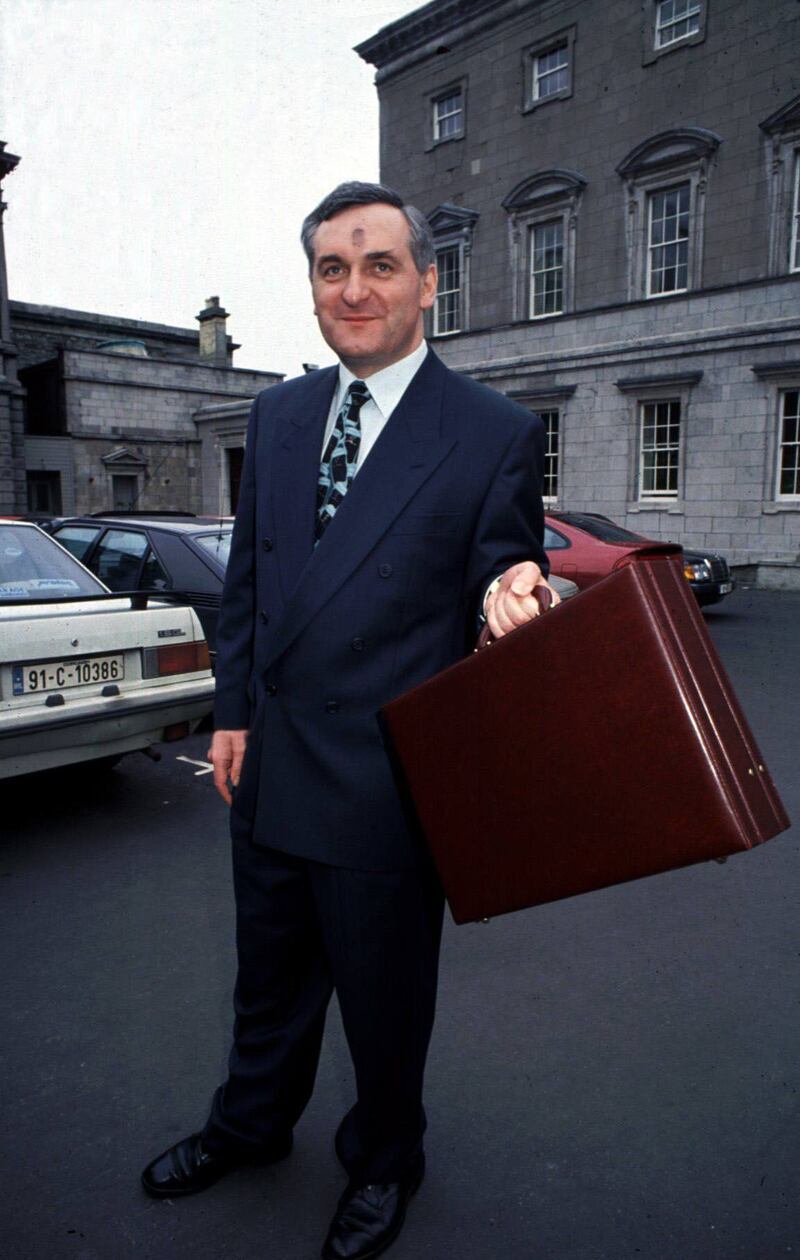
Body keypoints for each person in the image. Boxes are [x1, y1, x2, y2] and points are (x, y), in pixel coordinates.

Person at [142, 181, 555, 1260]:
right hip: (273, 760)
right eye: (333, 268)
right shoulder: (279, 415)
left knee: (380, 1000)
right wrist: (230, 714)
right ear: (314, 291)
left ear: (428, 281)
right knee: (267, 980)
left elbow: (499, 562)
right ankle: (251, 1127)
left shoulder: (490, 432)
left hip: (382, 782)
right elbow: (250, 591)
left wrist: (510, 592)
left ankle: (384, 1160)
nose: (354, 286)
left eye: (379, 264)